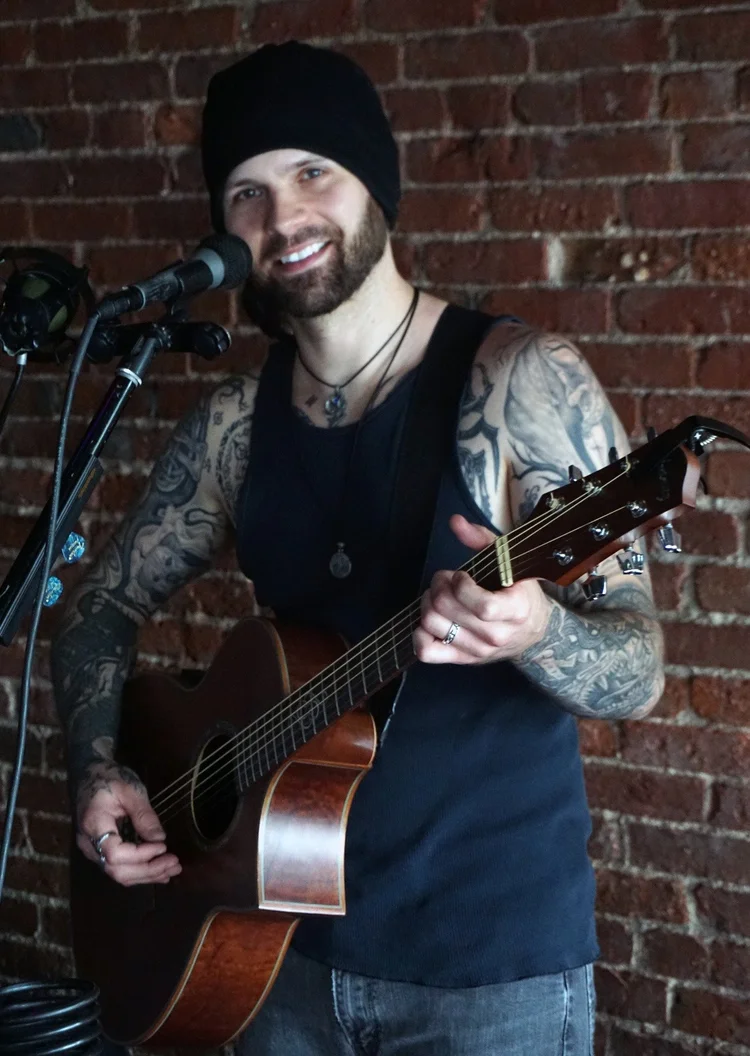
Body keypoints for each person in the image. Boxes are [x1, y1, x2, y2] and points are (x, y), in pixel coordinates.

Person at [51, 41, 665, 1056]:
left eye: (312, 172)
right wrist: (99, 769)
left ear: (376, 184)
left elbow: (639, 669)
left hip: (488, 969)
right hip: (265, 951)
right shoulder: (232, 427)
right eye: (246, 192)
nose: (282, 216)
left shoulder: (522, 381)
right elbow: (95, 608)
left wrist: (539, 630)